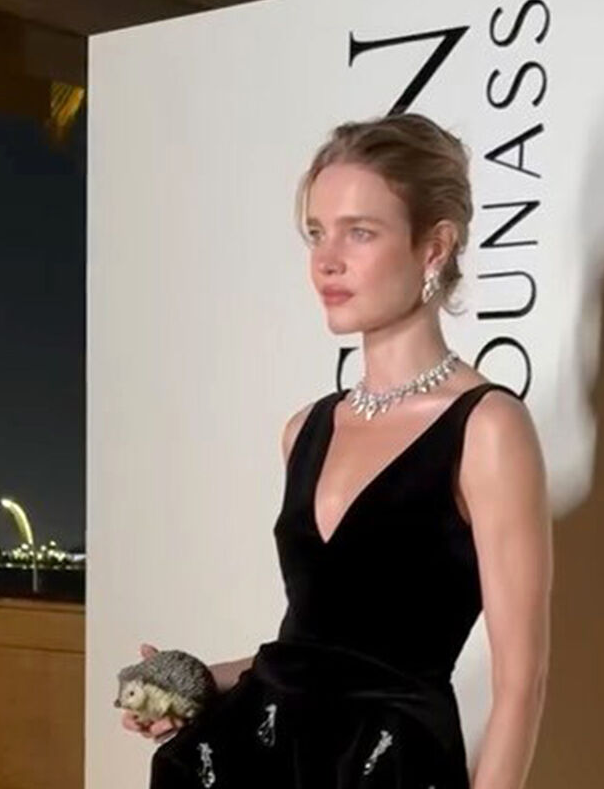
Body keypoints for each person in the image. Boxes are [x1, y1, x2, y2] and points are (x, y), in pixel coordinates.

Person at [123, 113, 552, 789]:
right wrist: (198, 680)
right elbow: (315, 649)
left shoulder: (487, 428)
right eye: (317, 232)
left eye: (360, 232)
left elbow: (521, 686)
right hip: (266, 765)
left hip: (388, 769)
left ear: (434, 247)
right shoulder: (305, 429)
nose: (327, 260)